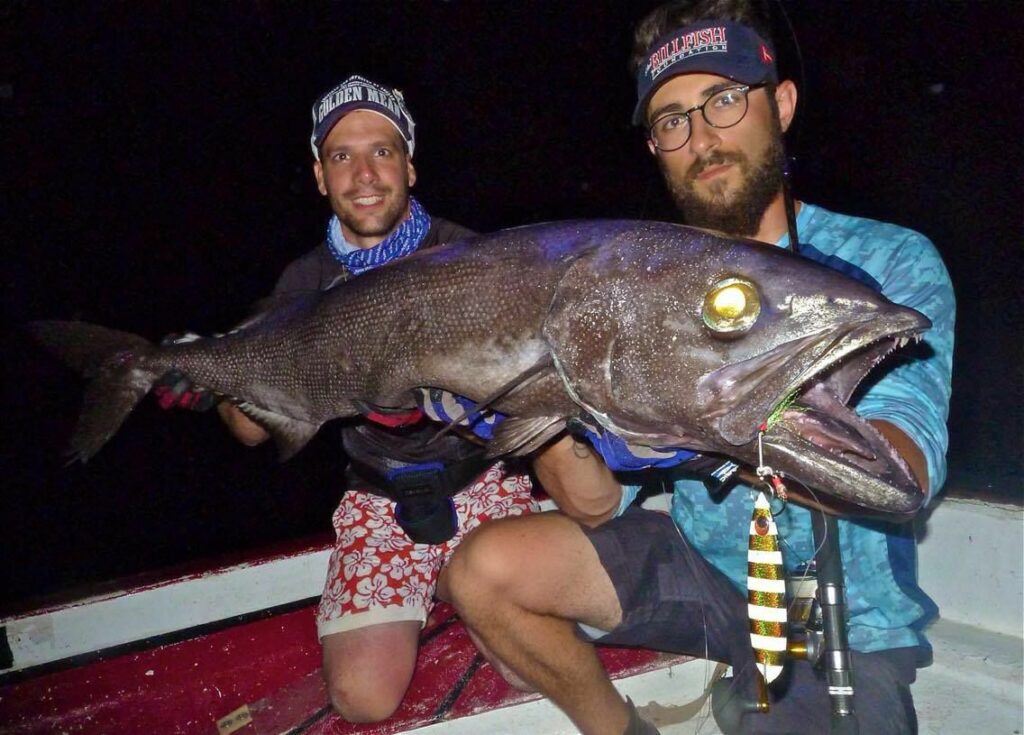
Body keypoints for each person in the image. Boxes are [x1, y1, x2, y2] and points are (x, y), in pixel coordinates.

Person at [445, 2, 955, 734]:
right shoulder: (636, 283)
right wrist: (525, 400)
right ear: (656, 146)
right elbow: (594, 505)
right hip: (705, 568)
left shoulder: (888, 261)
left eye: (723, 99)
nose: (702, 139)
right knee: (483, 571)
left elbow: (902, 473)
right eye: (672, 120)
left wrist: (707, 430)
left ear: (780, 104)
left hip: (842, 616)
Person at [157, 75, 536, 723]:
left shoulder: (467, 253)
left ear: (410, 165)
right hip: (379, 500)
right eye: (342, 156)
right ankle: (443, 582)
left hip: (482, 479)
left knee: (527, 663)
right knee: (361, 697)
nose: (364, 173)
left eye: (382, 151)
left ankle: (459, 578)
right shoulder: (301, 284)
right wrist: (209, 384)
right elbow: (252, 433)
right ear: (319, 175)